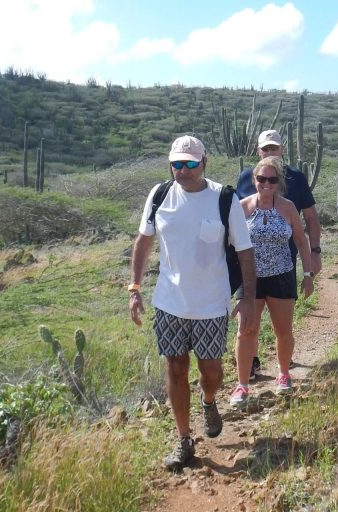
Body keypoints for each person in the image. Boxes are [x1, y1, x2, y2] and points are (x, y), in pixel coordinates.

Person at [128, 135, 256, 472]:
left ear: (204, 162)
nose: (182, 170)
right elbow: (143, 242)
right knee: (175, 367)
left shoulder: (224, 198)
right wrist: (135, 287)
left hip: (212, 304)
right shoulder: (160, 196)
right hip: (170, 302)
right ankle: (184, 439)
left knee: (210, 372)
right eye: (177, 164)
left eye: (190, 163)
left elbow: (244, 252)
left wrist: (247, 297)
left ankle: (209, 399)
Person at [235, 129, 322, 379]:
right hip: (249, 268)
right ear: (258, 150)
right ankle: (249, 366)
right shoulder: (245, 178)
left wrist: (314, 253)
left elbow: (311, 218)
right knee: (247, 324)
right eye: (266, 148)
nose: (270, 152)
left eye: (274, 147)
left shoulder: (296, 178)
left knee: (281, 325)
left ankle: (283, 366)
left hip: (284, 262)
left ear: (282, 149)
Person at [230, 156, 313, 407]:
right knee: (246, 331)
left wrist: (308, 275)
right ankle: (242, 385)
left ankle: (284, 374)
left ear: (279, 183)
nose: (266, 183)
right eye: (261, 179)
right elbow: (228, 245)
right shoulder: (241, 207)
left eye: (272, 179)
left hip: (281, 276)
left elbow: (301, 241)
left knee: (283, 330)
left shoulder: (287, 208)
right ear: (254, 179)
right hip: (250, 279)